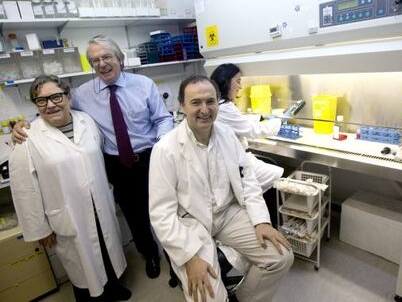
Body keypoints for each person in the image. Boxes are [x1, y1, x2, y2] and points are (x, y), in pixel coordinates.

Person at [11, 35, 173, 279]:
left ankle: (176, 262)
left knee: (166, 211)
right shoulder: (82, 94)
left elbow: (163, 119)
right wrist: (23, 124)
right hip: (117, 165)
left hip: (151, 157)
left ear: (119, 58)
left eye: (106, 57)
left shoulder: (143, 84)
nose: (101, 64)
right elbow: (53, 105)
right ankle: (149, 255)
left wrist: (161, 146)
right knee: (135, 216)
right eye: (94, 60)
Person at [149, 75, 294, 302]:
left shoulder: (226, 135)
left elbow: (247, 178)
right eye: (196, 102)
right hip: (190, 222)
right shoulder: (165, 149)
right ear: (182, 105)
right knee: (207, 295)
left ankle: (243, 298)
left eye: (210, 101)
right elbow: (161, 214)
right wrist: (189, 257)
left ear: (218, 102)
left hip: (226, 214)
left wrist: (261, 221)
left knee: (281, 257)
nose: (204, 109)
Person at [9, 75, 130, 301]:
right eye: (42, 100)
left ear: (68, 96)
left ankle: (115, 287)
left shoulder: (87, 121)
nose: (51, 104)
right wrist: (40, 228)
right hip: (68, 214)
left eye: (56, 96)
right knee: (82, 263)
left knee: (107, 249)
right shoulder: (27, 137)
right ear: (36, 105)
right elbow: (24, 190)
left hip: (99, 204)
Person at [210, 63, 284, 192]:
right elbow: (254, 130)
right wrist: (279, 121)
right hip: (235, 164)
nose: (241, 86)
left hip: (235, 159)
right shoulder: (224, 108)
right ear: (226, 82)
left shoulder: (220, 104)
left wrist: (260, 117)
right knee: (278, 175)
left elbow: (238, 121)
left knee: (270, 176)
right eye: (238, 81)